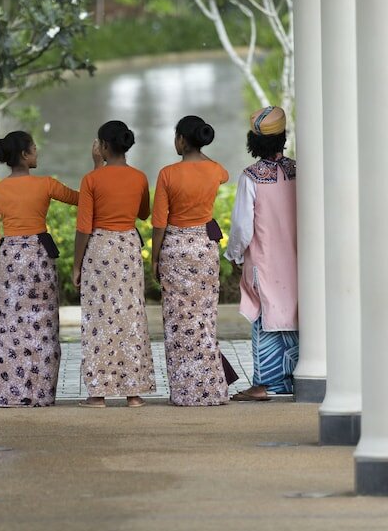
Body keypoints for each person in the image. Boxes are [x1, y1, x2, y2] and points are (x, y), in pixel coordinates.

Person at [0, 131, 98, 407]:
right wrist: (97, 167)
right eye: (34, 148)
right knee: (42, 325)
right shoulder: (46, 185)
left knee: (13, 327)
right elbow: (82, 199)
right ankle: (41, 393)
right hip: (38, 257)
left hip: (10, 258)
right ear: (24, 155)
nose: (37, 152)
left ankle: (10, 393)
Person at [72, 121, 156, 409]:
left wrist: (75, 265)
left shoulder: (91, 180)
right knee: (131, 317)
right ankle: (134, 394)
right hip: (128, 248)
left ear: (103, 146)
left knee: (99, 320)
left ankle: (98, 394)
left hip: (99, 250)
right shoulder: (140, 177)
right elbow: (144, 213)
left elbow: (84, 226)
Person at [151, 115, 230, 406]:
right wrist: (200, 152)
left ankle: (185, 392)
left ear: (182, 140)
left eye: (176, 137)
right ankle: (211, 390)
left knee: (178, 322)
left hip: (175, 248)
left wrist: (155, 259)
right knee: (204, 319)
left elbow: (159, 221)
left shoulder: (167, 174)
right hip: (204, 249)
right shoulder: (214, 170)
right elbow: (224, 175)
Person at [225, 106, 299, 401]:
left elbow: (243, 227)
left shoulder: (251, 177)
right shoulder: (299, 171)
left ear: (253, 141)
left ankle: (265, 383)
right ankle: (295, 378)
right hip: (298, 262)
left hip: (265, 263)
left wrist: (234, 255)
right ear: (283, 137)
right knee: (296, 313)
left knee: (265, 316)